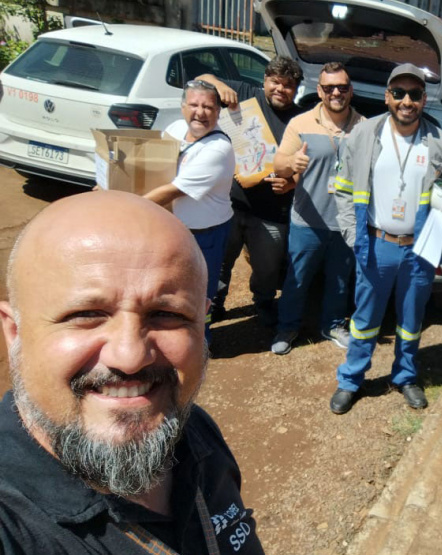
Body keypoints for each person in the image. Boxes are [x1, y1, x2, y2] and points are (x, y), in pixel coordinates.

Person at [0, 191, 264, 554]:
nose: (130, 357)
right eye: (85, 315)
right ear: (14, 331)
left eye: (167, 315)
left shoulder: (192, 431)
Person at [330, 63, 442, 414]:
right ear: (387, 96)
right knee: (365, 319)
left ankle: (405, 376)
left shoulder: (440, 142)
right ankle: (351, 379)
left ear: (424, 99)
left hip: (421, 247)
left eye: (415, 94)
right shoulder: (365, 134)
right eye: (399, 93)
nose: (406, 101)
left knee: (411, 319)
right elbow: (342, 188)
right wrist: (352, 234)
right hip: (375, 244)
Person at [196, 57, 304, 327]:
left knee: (267, 267)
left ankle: (263, 303)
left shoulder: (300, 120)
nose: (280, 89)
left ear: (296, 89)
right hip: (231, 203)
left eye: (288, 85)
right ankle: (216, 304)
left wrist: (291, 184)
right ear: (264, 80)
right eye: (275, 82)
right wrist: (219, 85)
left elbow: (309, 161)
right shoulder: (245, 94)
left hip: (272, 210)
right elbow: (200, 79)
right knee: (222, 260)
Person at [269, 62, 364, 355]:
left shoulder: (365, 127)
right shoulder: (301, 123)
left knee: (339, 282)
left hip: (345, 222)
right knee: (297, 280)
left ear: (350, 91)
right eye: (329, 87)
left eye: (342, 87)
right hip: (307, 220)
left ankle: (332, 325)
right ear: (319, 91)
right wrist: (291, 163)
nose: (336, 92)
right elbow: (279, 164)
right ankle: (287, 327)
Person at [144, 79, 235, 341]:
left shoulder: (218, 148)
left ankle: (200, 343)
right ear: (183, 106)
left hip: (204, 235)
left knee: (199, 294)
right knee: (168, 287)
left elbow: (173, 190)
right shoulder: (174, 129)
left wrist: (124, 204)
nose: (200, 113)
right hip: (170, 227)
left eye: (208, 107)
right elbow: (149, 163)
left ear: (218, 112)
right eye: (194, 105)